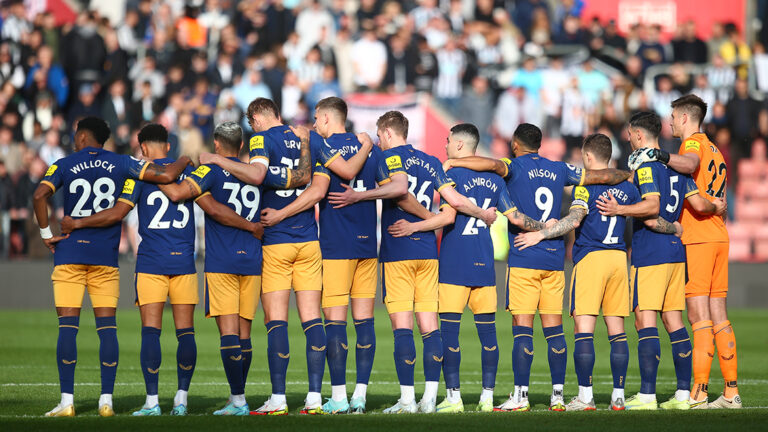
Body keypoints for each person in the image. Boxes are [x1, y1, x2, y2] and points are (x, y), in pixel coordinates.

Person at [57, 123, 258, 416]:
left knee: (150, 333)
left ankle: (152, 402)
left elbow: (119, 212)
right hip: (184, 262)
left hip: (151, 261)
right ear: (167, 145)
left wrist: (77, 224)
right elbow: (209, 205)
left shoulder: (139, 175)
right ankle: (181, 399)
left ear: (142, 148)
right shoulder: (188, 173)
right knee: (185, 333)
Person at [444, 123, 631, 412]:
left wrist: (455, 160)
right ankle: (558, 396)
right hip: (554, 260)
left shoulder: (512, 166)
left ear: (515, 145)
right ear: (540, 144)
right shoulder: (559, 169)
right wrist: (627, 174)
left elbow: (489, 163)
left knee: (523, 328)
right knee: (554, 329)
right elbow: (603, 175)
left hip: (524, 255)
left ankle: (520, 396)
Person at [328, 111, 497, 414]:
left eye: (380, 136)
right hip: (429, 253)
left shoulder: (389, 157)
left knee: (402, 327)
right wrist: (482, 214)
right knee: (430, 326)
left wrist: (360, 196)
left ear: (389, 133)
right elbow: (454, 204)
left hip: (399, 250)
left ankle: (408, 401)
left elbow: (399, 190)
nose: (378, 141)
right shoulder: (431, 161)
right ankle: (430, 400)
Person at [32, 117, 192, 417]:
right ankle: (107, 401)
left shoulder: (64, 164)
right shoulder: (123, 163)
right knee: (107, 330)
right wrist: (185, 157)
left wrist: (46, 235)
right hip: (105, 257)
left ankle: (67, 402)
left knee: (67, 329)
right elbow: (167, 173)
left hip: (68, 254)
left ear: (80, 137)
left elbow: (39, 194)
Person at [385, 123, 546, 413]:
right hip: (484, 263)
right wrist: (547, 228)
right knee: (488, 336)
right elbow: (515, 217)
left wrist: (415, 226)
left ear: (459, 146)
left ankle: (454, 397)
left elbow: (447, 215)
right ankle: (486, 397)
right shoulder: (496, 183)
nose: (445, 145)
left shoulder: (451, 175)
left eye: (448, 141)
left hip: (453, 264)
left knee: (449, 335)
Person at [514, 133, 677, 411]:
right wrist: (675, 228)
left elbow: (574, 219)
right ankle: (618, 396)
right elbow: (651, 216)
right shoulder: (629, 188)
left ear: (588, 157)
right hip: (618, 259)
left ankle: (586, 396)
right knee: (618, 331)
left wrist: (541, 234)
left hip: (591, 259)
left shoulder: (584, 188)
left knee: (584, 329)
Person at [597, 112, 725, 410]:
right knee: (674, 320)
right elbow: (698, 203)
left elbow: (652, 210)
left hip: (651, 251)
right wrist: (716, 206)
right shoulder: (678, 169)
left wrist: (620, 209)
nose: (627, 139)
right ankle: (683, 394)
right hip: (675, 253)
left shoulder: (646, 167)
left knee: (645, 318)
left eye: (629, 134)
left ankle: (647, 395)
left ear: (639, 136)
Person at [205, 98, 324, 415]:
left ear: (257, 117)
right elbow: (305, 179)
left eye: (251, 121)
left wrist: (217, 160)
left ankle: (279, 399)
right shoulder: (301, 138)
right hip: (309, 240)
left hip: (276, 239)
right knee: (312, 319)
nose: (251, 127)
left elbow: (257, 175)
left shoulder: (260, 139)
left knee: (276, 322)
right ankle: (315, 398)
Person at [258, 97, 377, 414]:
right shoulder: (371, 146)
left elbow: (320, 190)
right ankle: (359, 396)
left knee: (332, 323)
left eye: (315, 118)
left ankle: (335, 397)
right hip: (368, 247)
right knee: (364, 322)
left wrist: (280, 214)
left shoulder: (323, 148)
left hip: (336, 247)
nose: (312, 124)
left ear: (326, 118)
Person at [629, 94, 739, 408]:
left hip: (699, 238)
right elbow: (711, 195)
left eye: (674, 117)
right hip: (719, 235)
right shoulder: (716, 148)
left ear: (685, 118)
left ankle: (699, 392)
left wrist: (657, 154)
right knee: (720, 315)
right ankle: (731, 392)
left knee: (697, 315)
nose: (672, 122)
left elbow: (690, 165)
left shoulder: (691, 146)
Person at [153, 122, 267, 415]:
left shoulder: (210, 170)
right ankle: (237, 397)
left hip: (223, 260)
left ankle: (239, 400)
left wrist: (153, 171)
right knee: (245, 334)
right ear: (240, 146)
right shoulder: (255, 174)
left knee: (229, 334)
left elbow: (180, 195)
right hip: (252, 259)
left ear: (217, 144)